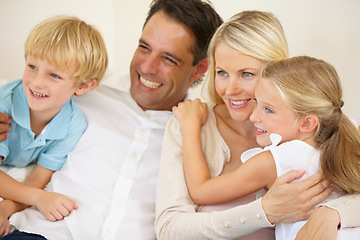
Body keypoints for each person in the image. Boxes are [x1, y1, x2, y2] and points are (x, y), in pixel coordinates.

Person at [0, 3, 355, 240]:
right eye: (144, 47)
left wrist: (330, 214)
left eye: (248, 74)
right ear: (211, 72)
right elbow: (26, 132)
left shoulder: (308, 123)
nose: (148, 68)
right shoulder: (90, 98)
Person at [0, 0, 222, 239]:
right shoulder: (84, 92)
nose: (147, 67)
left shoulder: (203, 134)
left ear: (200, 69)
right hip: (42, 233)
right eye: (144, 47)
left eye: (168, 59)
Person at [155, 11, 360, 240]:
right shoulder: (191, 123)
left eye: (246, 74)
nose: (230, 89)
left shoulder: (319, 125)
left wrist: (331, 214)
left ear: (279, 69)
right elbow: (169, 229)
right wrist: (265, 212)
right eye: (222, 73)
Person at [0, 15, 108, 235]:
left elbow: (37, 180)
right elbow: (35, 192)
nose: (37, 82)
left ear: (83, 86)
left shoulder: (72, 125)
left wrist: (5, 208)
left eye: (54, 75)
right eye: (32, 66)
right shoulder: (5, 106)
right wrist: (40, 199)